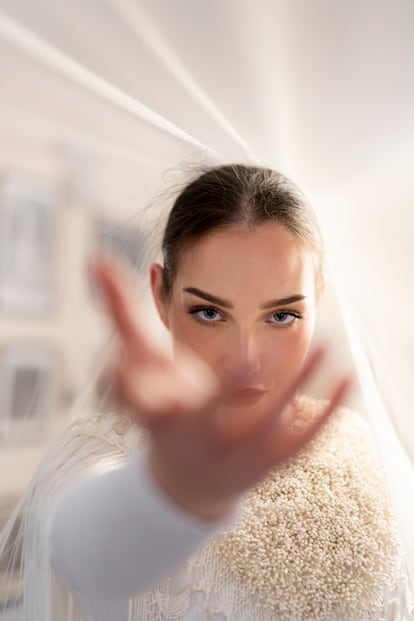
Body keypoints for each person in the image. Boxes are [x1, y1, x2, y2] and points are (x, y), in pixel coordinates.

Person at [2, 164, 413, 621]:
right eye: (209, 313)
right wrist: (170, 492)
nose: (246, 359)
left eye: (281, 316)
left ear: (317, 298)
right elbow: (87, 553)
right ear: (160, 295)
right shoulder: (100, 454)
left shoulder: (357, 442)